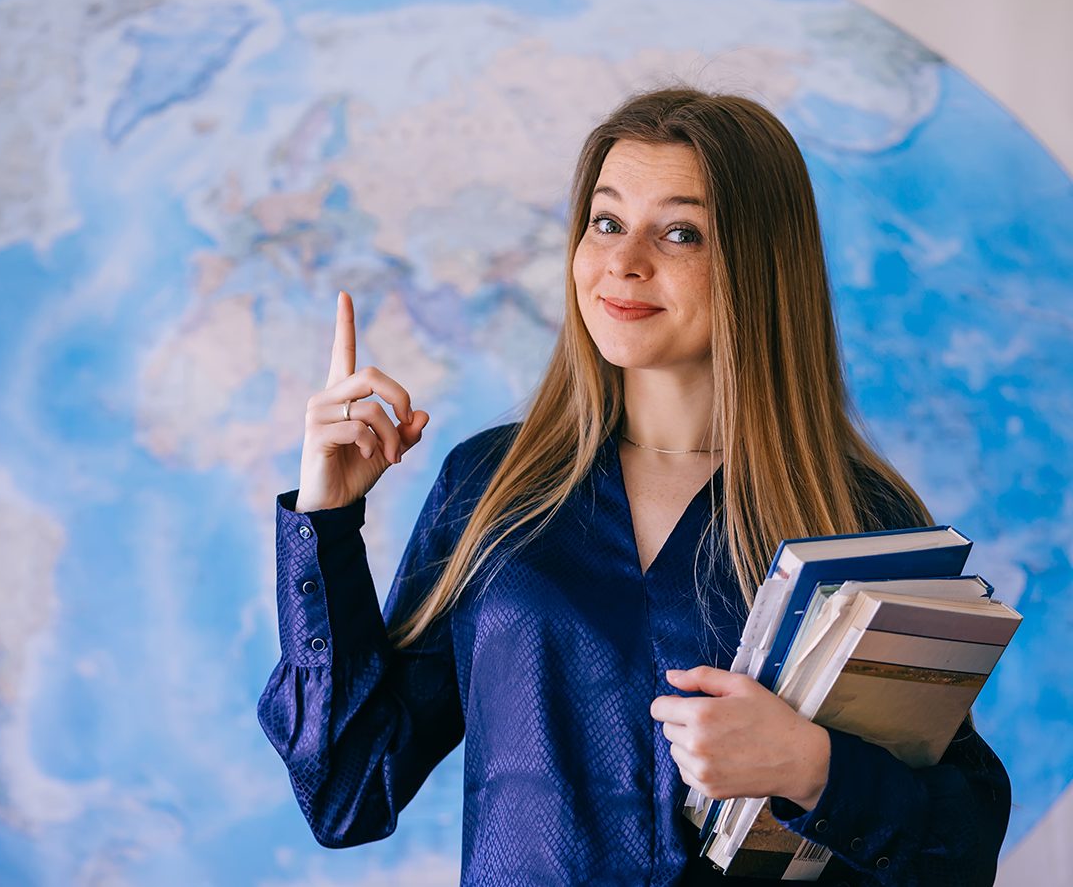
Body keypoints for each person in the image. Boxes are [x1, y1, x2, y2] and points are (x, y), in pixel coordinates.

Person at [257, 88, 1009, 885]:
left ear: (758, 265)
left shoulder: (858, 520)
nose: (623, 262)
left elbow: (959, 848)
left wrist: (812, 769)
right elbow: (348, 792)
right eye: (607, 222)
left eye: (680, 232)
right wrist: (326, 521)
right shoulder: (488, 489)